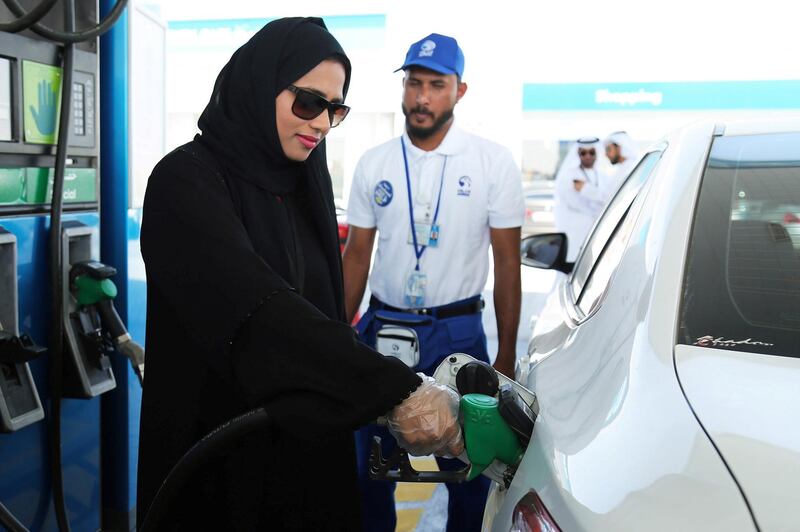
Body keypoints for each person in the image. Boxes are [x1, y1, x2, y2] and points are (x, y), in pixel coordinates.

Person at [136, 18, 464, 531]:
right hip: (217, 467)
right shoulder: (186, 182)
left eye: (336, 110)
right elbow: (262, 312)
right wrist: (395, 389)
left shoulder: (303, 186)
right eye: (309, 103)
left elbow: (324, 316)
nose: (322, 124)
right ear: (262, 84)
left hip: (303, 464)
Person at [342, 32, 525, 532]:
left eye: (436, 85)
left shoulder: (492, 162)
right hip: (383, 330)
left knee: (471, 466)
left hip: (458, 334)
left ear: (459, 91)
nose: (422, 97)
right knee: (367, 466)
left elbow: (507, 262)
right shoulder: (374, 162)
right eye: (414, 84)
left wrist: (505, 355)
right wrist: (337, 335)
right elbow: (357, 255)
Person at [553, 136, 607, 262]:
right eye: (583, 153)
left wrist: (586, 189)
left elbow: (609, 198)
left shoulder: (604, 177)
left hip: (597, 234)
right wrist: (599, 204)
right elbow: (575, 203)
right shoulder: (568, 175)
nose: (587, 156)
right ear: (578, 154)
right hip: (575, 235)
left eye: (591, 152)